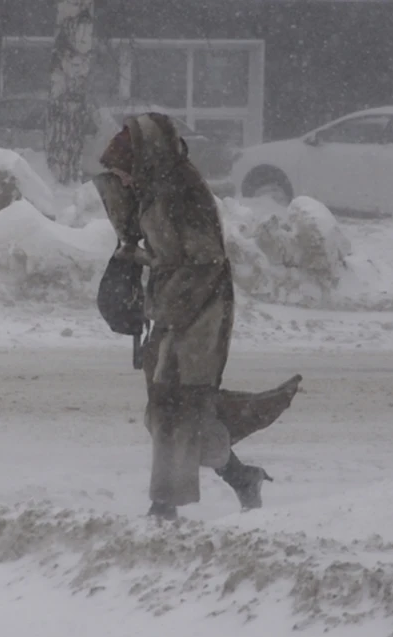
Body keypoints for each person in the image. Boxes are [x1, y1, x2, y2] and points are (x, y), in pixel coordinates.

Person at [95, 113, 301, 520]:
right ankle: (242, 478)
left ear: (144, 160)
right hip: (174, 309)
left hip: (201, 311)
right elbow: (151, 241)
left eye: (125, 173)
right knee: (169, 411)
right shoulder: (153, 189)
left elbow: (203, 257)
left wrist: (157, 288)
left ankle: (163, 506)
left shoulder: (181, 191)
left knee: (177, 408)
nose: (124, 181)